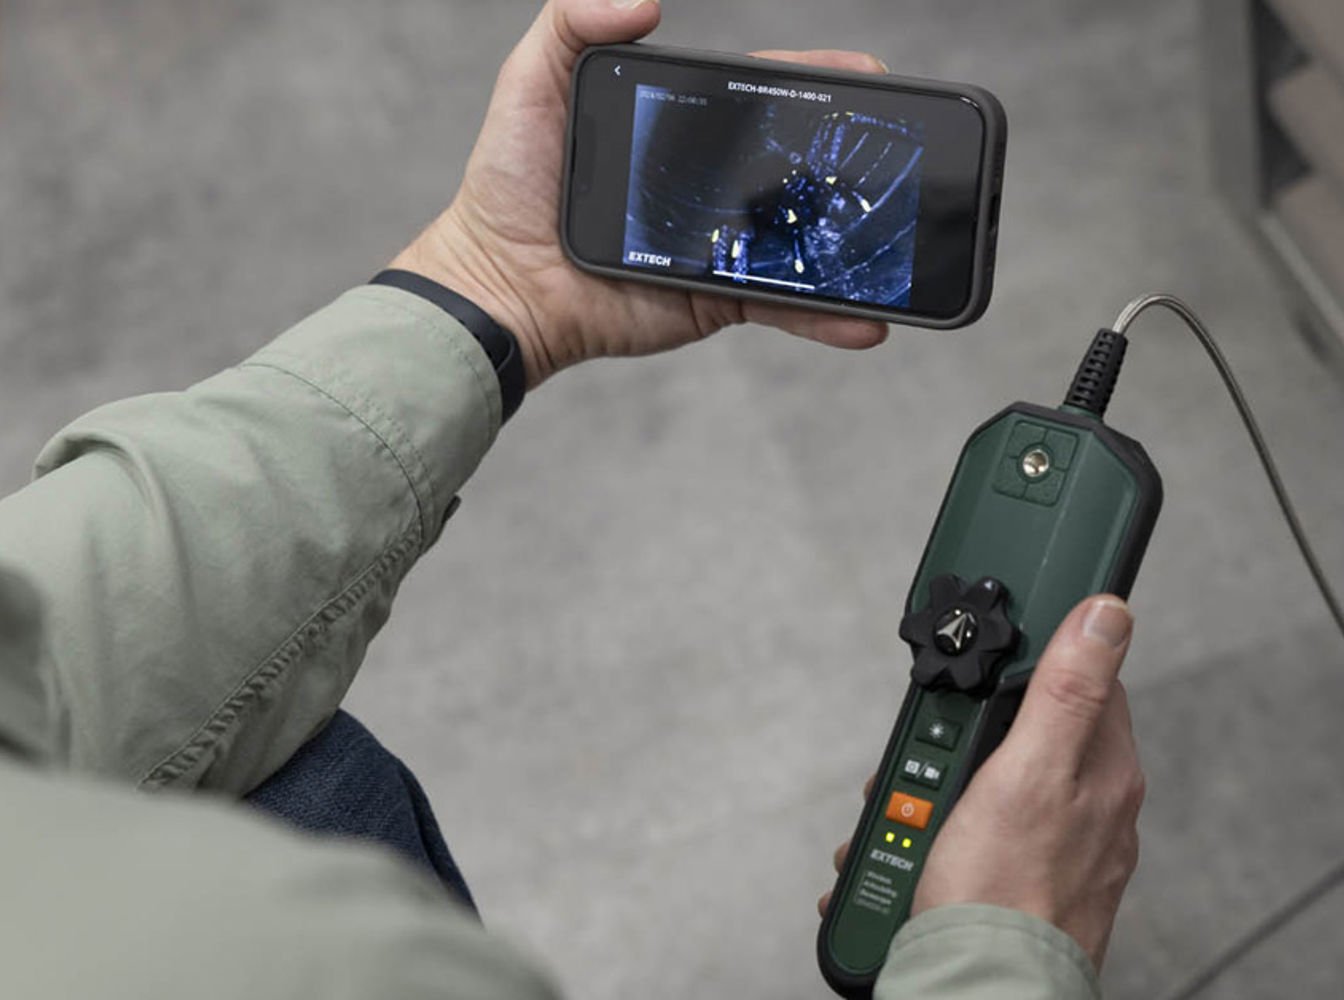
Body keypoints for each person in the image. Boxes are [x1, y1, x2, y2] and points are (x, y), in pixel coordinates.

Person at [0, 0, 1145, 996]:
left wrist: (486, 286)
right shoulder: (310, 955)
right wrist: (1001, 952)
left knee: (309, 780)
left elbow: (53, 649)